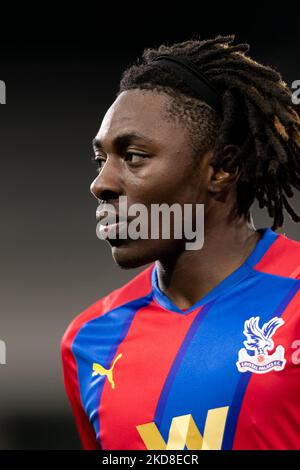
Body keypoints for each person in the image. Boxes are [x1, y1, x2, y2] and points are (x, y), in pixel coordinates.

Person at [61, 35, 300, 450]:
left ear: (222, 168)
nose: (100, 184)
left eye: (133, 156)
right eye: (101, 161)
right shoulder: (89, 341)